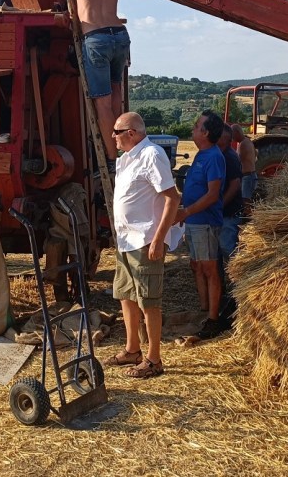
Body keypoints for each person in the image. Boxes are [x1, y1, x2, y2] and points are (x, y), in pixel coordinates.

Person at [106, 112, 180, 379]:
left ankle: (154, 359)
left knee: (149, 301)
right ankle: (133, 349)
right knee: (126, 295)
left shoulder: (152, 154)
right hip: (126, 240)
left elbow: (172, 198)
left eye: (116, 131)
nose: (112, 136)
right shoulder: (127, 158)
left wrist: (159, 239)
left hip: (145, 240)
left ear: (132, 133)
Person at [55, 0, 128, 172]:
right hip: (121, 37)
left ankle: (112, 159)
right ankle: (123, 148)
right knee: (116, 92)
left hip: (97, 38)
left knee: (102, 103)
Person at [176, 110, 227, 340]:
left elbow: (212, 195)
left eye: (197, 126)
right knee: (197, 266)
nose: (193, 130)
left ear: (205, 133)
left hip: (205, 223)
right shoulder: (201, 155)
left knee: (210, 269)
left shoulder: (214, 157)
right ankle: (204, 311)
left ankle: (213, 319)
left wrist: (186, 211)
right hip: (195, 222)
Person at [216, 127, 243, 325]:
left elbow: (235, 185)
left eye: (222, 140)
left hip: (229, 214)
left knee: (229, 251)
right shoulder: (221, 155)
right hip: (223, 214)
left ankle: (237, 292)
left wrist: (220, 205)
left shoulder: (230, 158)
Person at [232, 123, 257, 210]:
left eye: (233, 135)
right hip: (251, 174)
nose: (232, 138)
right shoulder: (248, 141)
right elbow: (256, 154)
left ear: (237, 132)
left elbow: (237, 161)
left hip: (247, 176)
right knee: (247, 199)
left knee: (246, 200)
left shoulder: (242, 144)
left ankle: (247, 217)